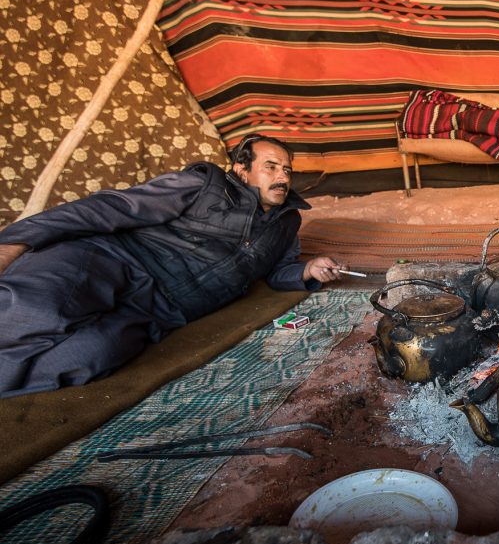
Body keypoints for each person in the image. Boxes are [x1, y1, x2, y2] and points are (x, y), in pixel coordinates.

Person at [0, 134, 346, 398]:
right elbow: (112, 207)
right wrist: (16, 240)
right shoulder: (204, 185)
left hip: (158, 309)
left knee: (91, 354)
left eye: (287, 169)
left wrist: (307, 270)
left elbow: (276, 272)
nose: (282, 176)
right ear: (241, 169)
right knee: (40, 308)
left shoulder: (287, 224)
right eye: (270, 166)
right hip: (112, 259)